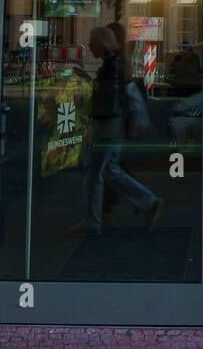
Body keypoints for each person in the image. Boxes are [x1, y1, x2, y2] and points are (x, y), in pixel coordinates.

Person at [68, 26, 162, 237]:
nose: (89, 46)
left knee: (95, 172)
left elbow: (106, 100)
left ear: (102, 43)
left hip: (108, 127)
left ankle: (93, 221)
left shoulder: (111, 66)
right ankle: (149, 202)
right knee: (109, 170)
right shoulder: (114, 64)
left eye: (92, 42)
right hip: (112, 126)